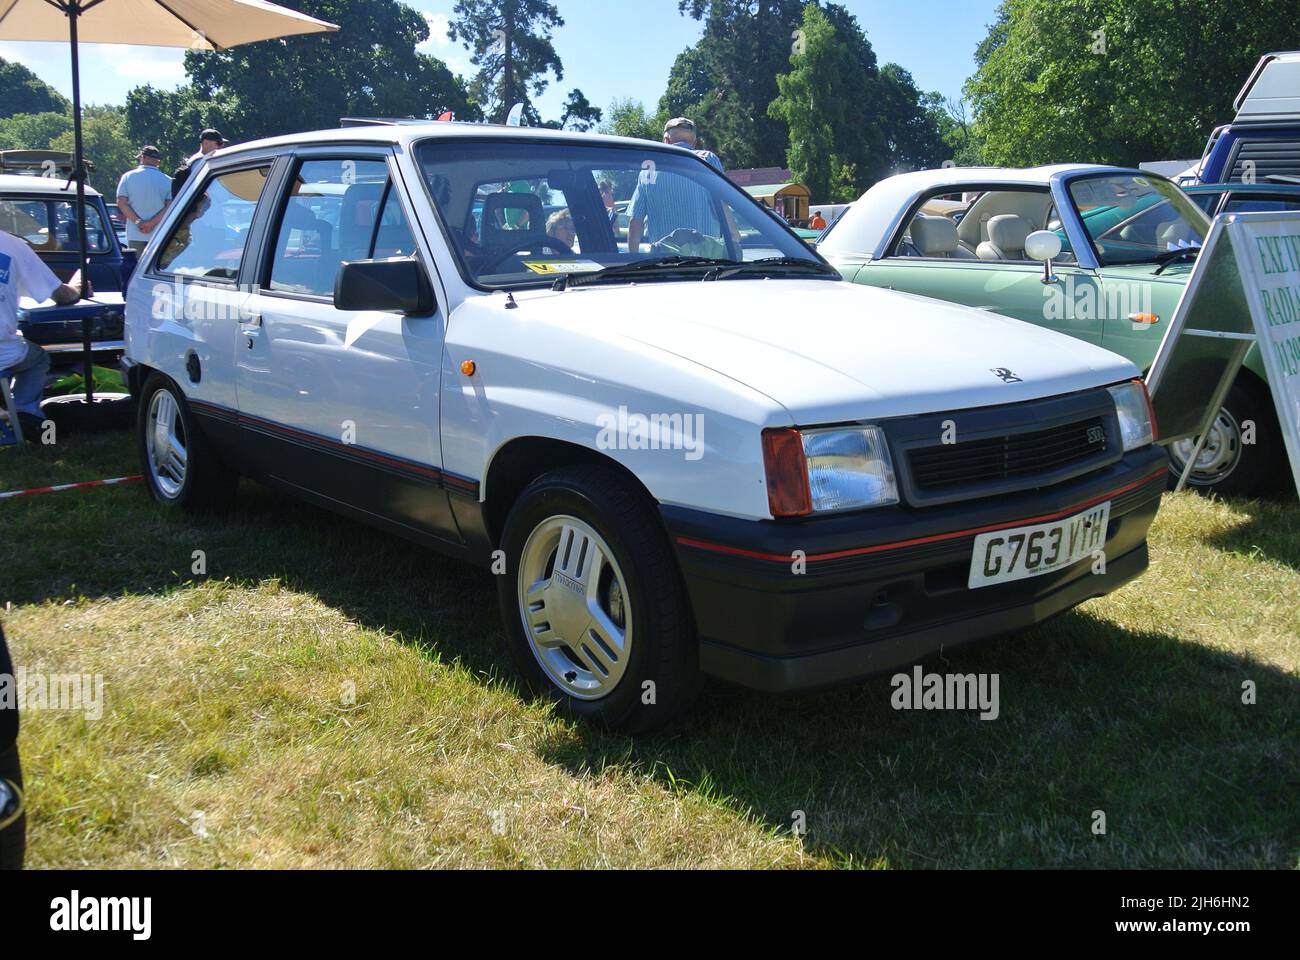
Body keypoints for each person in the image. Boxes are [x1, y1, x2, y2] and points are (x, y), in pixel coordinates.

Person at [0, 228, 90, 439]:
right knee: (38, 358)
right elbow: (63, 295)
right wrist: (78, 285)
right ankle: (25, 414)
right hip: (4, 351)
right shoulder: (12, 245)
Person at [626, 117, 729, 254]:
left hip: (660, 264)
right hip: (707, 264)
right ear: (694, 143)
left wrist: (633, 259)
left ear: (666, 141)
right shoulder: (707, 160)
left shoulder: (649, 168)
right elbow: (724, 209)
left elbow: (635, 220)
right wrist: (735, 240)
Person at [117, 146, 173, 253]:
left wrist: (138, 222)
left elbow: (121, 203)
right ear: (158, 161)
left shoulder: (127, 177)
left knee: (137, 266)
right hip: (158, 233)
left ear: (143, 157)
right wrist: (151, 224)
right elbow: (169, 207)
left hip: (135, 232)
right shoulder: (168, 181)